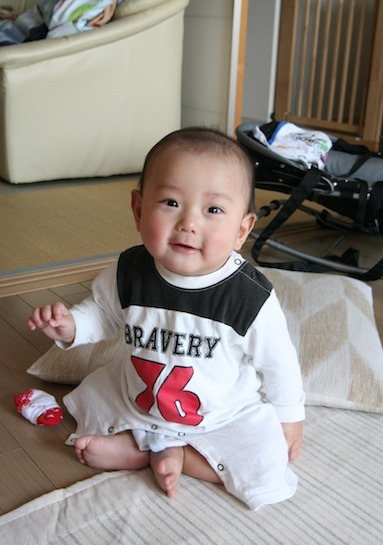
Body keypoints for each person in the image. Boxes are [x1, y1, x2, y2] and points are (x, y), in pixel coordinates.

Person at [28, 127, 305, 511]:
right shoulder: (131, 270)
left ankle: (175, 455)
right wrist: (71, 326)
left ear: (242, 230)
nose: (189, 223)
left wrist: (290, 417)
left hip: (220, 414)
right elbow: (106, 314)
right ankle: (148, 445)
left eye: (213, 210)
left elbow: (279, 363)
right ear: (139, 210)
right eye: (171, 202)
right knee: (89, 402)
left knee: (269, 465)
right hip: (139, 399)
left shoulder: (248, 297)